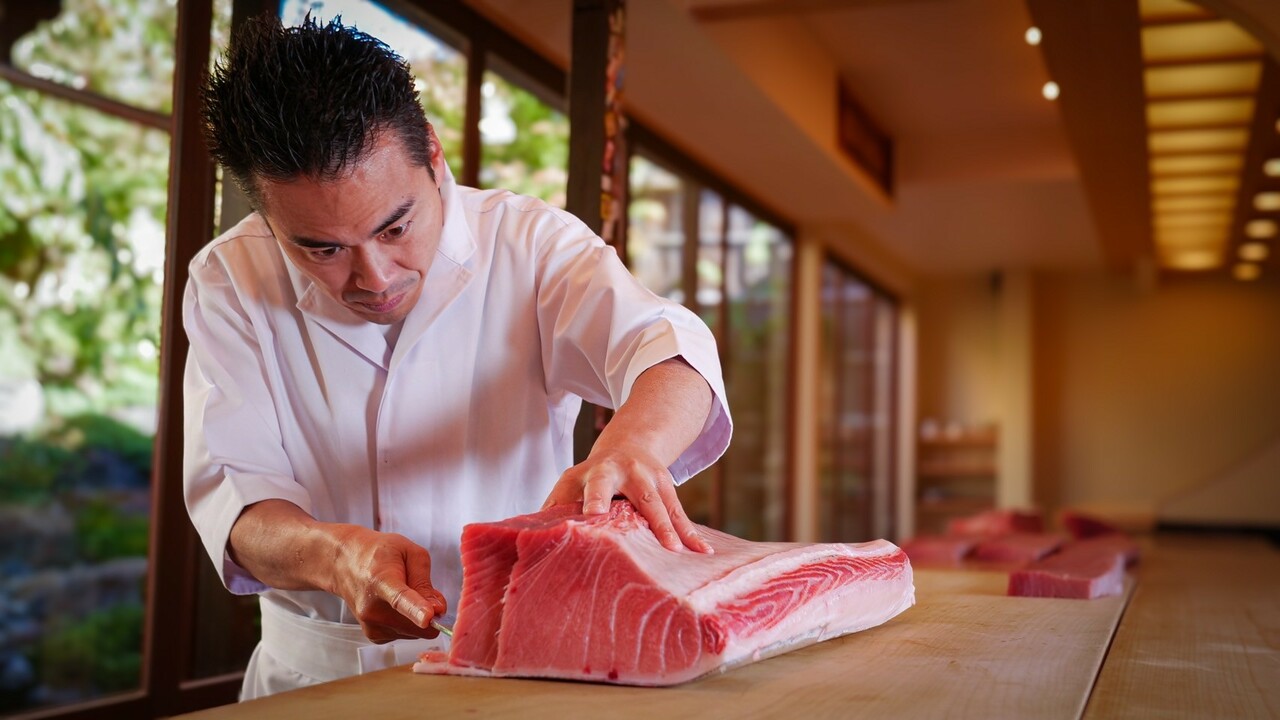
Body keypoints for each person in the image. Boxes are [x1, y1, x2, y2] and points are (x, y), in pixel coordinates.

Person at [182, 15, 731, 699]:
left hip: (519, 663)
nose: (375, 277)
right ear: (269, 216)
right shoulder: (229, 278)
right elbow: (237, 503)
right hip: (311, 678)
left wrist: (631, 447)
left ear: (433, 154)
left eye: (395, 227)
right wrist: (336, 558)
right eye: (322, 249)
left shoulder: (531, 242)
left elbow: (669, 350)